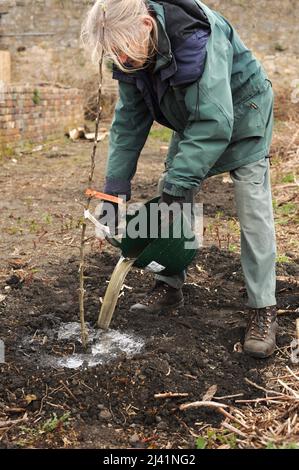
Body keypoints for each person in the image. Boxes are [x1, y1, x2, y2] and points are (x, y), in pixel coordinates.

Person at [81, 0, 278, 358]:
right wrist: (114, 191)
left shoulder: (195, 38)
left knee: (252, 212)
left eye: (124, 51)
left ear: (145, 24)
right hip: (195, 118)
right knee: (168, 196)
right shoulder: (133, 53)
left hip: (242, 114)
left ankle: (262, 308)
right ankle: (168, 284)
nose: (122, 60)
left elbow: (215, 121)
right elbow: (128, 124)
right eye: (115, 55)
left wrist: (180, 188)